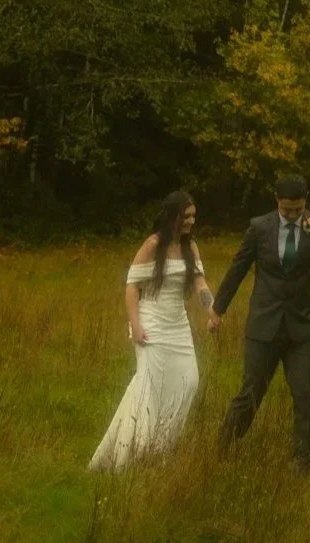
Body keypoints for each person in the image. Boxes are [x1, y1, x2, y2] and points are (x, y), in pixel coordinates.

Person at [209, 174, 310, 469]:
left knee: (305, 393)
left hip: (300, 328)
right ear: (276, 201)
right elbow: (238, 268)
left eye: (298, 210)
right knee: (251, 392)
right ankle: (221, 449)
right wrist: (218, 309)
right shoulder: (259, 228)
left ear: (306, 200)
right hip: (263, 326)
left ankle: (303, 460)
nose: (292, 215)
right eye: (286, 210)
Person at [89, 190, 214, 472]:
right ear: (172, 216)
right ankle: (139, 452)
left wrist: (212, 311)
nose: (191, 221)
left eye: (194, 216)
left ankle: (162, 444)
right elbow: (132, 286)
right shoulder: (152, 245)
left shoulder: (190, 247)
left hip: (177, 326)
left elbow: (199, 283)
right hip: (151, 324)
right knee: (149, 386)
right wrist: (136, 325)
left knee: (189, 381)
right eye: (186, 216)